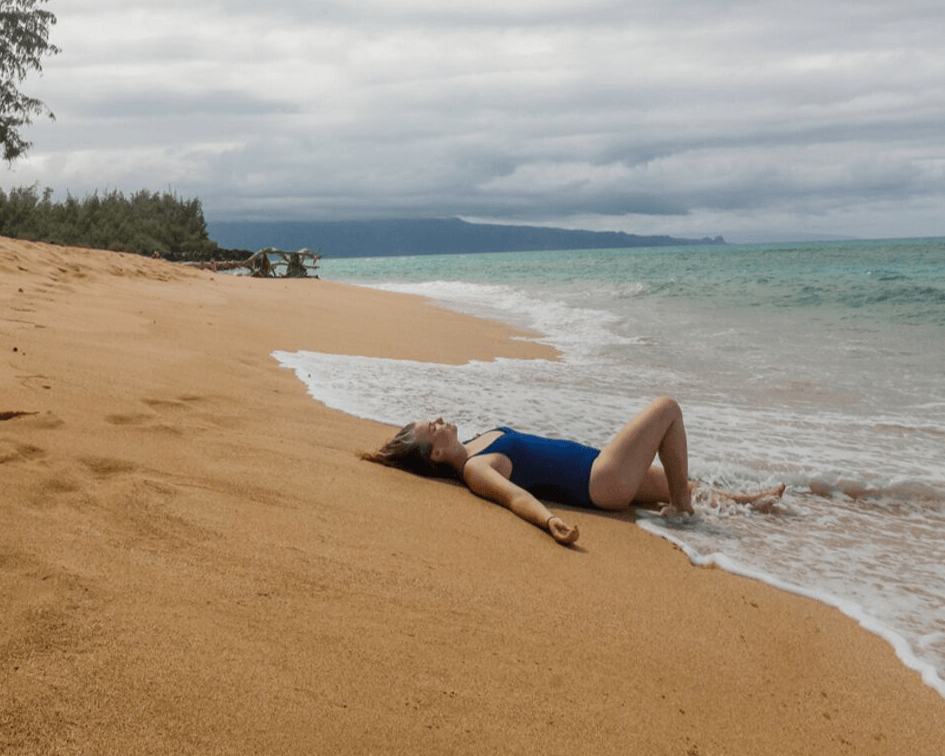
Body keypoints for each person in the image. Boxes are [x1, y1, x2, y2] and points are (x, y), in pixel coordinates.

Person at [362, 396, 785, 545]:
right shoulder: (476, 468)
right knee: (667, 409)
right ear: (435, 455)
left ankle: (751, 504)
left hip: (600, 468)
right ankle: (683, 512)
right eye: (430, 428)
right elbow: (515, 498)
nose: (437, 420)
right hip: (601, 480)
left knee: (685, 485)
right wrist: (549, 521)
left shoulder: (477, 441)